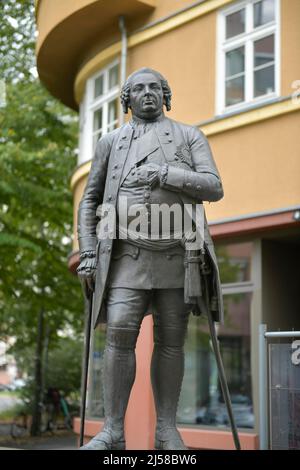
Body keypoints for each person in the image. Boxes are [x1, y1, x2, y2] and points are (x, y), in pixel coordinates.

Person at [77, 68, 224, 450]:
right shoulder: (111, 142)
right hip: (126, 256)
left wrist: (166, 173)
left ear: (165, 95)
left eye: (155, 88)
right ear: (126, 99)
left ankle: (166, 429)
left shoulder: (189, 136)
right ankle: (112, 430)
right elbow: (90, 200)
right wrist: (89, 250)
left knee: (172, 341)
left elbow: (213, 186)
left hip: (177, 256)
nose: (147, 94)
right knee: (119, 336)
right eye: (138, 89)